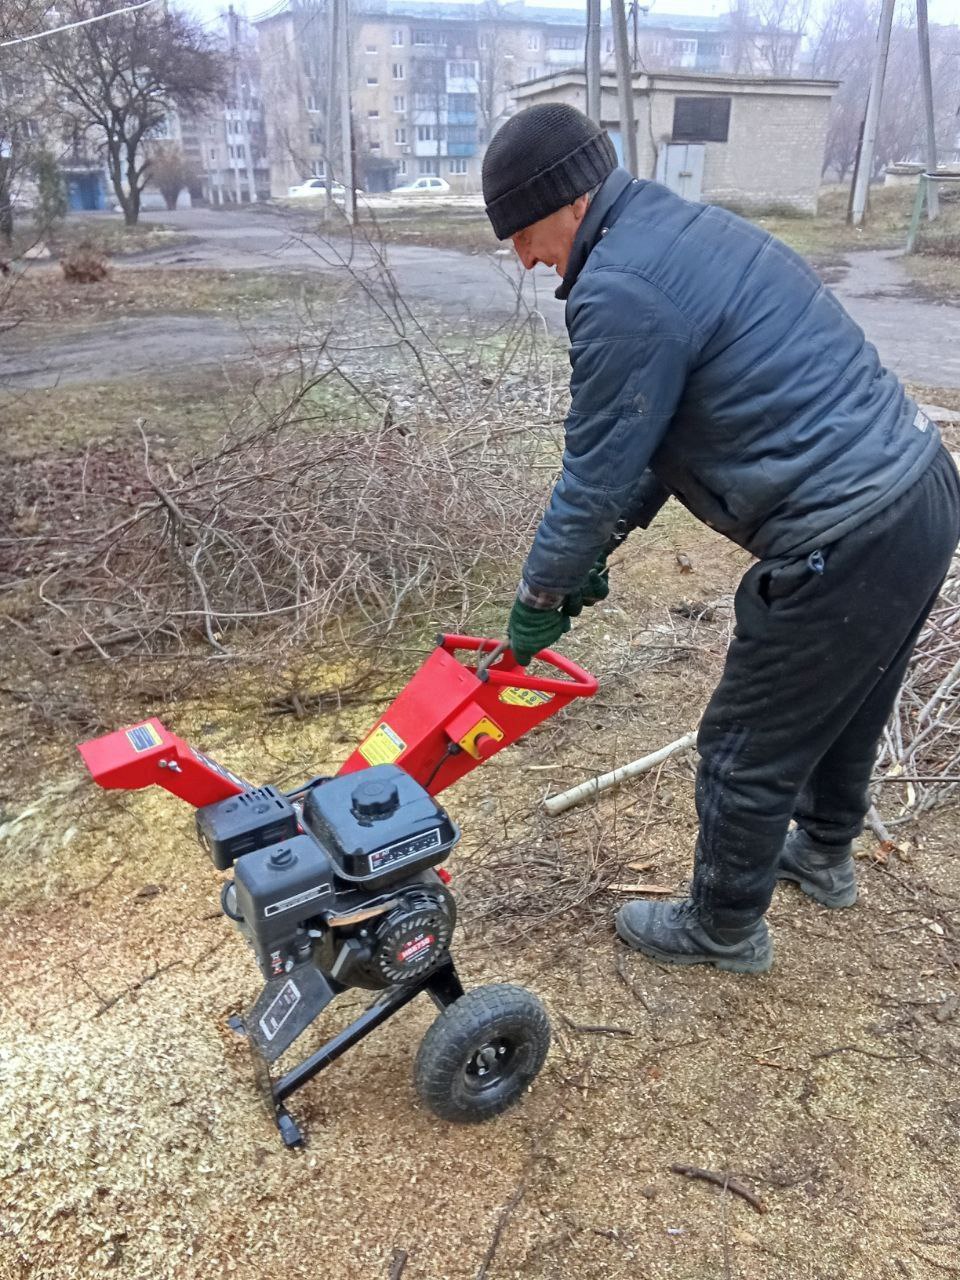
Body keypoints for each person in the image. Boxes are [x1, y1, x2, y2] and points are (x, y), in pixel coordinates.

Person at [481, 103, 960, 974]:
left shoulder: (618, 289)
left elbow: (592, 468)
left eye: (522, 229)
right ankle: (822, 852)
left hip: (846, 531)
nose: (522, 256)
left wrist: (539, 596)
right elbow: (655, 444)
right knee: (852, 695)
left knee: (742, 746)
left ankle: (723, 927)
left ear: (571, 199)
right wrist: (598, 549)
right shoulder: (686, 231)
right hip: (921, 488)